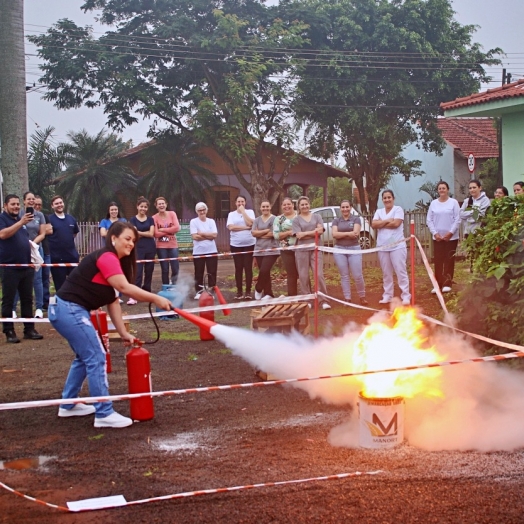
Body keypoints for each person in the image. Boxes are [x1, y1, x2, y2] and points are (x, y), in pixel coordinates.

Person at [49, 222, 172, 428]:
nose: (131, 244)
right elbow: (125, 288)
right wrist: (156, 298)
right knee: (97, 356)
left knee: (84, 356)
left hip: (67, 310)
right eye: (127, 238)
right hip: (69, 310)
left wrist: (123, 332)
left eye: (133, 240)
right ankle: (104, 413)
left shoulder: (115, 262)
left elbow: (113, 300)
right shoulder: (107, 257)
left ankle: (68, 405)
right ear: (113, 238)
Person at [0, 194, 44, 343]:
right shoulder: (3, 219)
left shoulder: (21, 221)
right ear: (5, 206)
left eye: (17, 204)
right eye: (12, 204)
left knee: (27, 299)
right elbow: (3, 234)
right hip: (9, 267)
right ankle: (9, 331)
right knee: (8, 300)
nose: (16, 207)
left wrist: (31, 259)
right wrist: (20, 222)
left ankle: (29, 329)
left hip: (26, 266)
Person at [372, 190, 411, 306]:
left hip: (397, 246)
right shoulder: (379, 211)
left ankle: (405, 295)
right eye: (385, 198)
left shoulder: (398, 209)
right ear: (382, 200)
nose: (387, 200)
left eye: (389, 197)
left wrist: (382, 223)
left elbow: (396, 224)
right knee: (386, 273)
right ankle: (387, 295)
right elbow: (374, 225)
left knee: (400, 271)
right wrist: (388, 220)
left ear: (393, 198)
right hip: (383, 247)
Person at [292, 196, 331, 310]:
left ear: (309, 204)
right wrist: (313, 232)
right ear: (298, 207)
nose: (304, 206)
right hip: (301, 251)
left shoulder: (317, 216)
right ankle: (307, 300)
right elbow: (298, 235)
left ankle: (323, 300)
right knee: (303, 276)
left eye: (306, 204)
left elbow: (320, 231)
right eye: (302, 204)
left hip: (316, 249)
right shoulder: (296, 220)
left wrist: (306, 233)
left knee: (318, 275)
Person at [13, 192, 46, 319]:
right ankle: (13, 308)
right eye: (29, 199)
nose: (31, 201)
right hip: (20, 250)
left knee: (37, 280)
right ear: (24, 201)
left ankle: (38, 308)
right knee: (17, 279)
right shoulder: (19, 214)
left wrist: (32, 244)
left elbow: (42, 233)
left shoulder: (40, 215)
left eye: (33, 199)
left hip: (36, 249)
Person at [426, 182, 461, 294]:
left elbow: (457, 219)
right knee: (438, 260)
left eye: (444, 188)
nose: (442, 190)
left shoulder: (453, 203)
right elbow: (429, 220)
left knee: (449, 259)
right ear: (438, 190)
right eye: (440, 188)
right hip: (438, 238)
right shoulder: (433, 203)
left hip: (451, 238)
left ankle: (447, 283)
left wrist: (450, 233)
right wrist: (435, 233)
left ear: (448, 190)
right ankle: (438, 284)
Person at [332, 199, 368, 305]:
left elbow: (356, 234)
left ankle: (362, 296)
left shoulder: (356, 219)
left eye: (347, 207)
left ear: (350, 207)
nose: (345, 209)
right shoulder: (336, 221)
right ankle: (347, 298)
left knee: (357, 275)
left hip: (354, 249)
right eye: (343, 207)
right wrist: (349, 233)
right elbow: (334, 235)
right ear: (340, 208)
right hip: (339, 249)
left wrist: (341, 234)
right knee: (344, 275)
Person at [47, 195, 80, 292]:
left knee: (75, 283)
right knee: (60, 286)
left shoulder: (71, 219)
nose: (59, 205)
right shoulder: (49, 219)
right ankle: (62, 305)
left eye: (60, 203)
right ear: (52, 206)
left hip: (72, 257)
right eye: (56, 203)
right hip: (57, 258)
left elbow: (74, 234)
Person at [227, 195, 255, 300]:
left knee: (248, 268)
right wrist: (245, 227)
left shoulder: (250, 212)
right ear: (235, 203)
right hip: (236, 245)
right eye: (238, 202)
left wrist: (243, 212)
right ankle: (239, 291)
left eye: (242, 201)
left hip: (249, 244)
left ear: (245, 202)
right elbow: (231, 227)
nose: (240, 204)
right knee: (238, 268)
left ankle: (248, 291)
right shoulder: (231, 214)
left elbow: (251, 224)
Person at [128, 196, 156, 302]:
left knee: (149, 271)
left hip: (150, 247)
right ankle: (135, 294)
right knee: (137, 271)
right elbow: (133, 234)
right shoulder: (132, 219)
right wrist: (145, 233)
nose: (143, 209)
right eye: (141, 206)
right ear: (137, 207)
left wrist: (139, 232)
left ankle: (147, 291)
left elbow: (151, 234)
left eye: (145, 207)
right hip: (138, 248)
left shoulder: (150, 219)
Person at [190, 202, 218, 299]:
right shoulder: (193, 221)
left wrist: (201, 233)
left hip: (212, 251)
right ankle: (199, 291)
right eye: (199, 210)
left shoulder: (211, 221)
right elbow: (195, 237)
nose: (202, 212)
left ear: (206, 210)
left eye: (203, 210)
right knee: (198, 272)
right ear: (197, 212)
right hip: (198, 252)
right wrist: (208, 236)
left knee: (212, 272)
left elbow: (214, 235)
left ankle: (211, 291)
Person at [251, 200, 279, 299]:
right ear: (260, 208)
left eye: (267, 206)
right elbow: (253, 233)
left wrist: (260, 233)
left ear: (270, 207)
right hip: (259, 249)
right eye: (263, 207)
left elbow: (274, 234)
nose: (265, 208)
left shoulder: (275, 219)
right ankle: (268, 293)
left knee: (264, 270)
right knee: (265, 272)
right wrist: (266, 230)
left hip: (272, 249)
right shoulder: (257, 220)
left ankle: (258, 288)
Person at [273, 197, 298, 296]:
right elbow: (276, 235)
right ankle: (292, 296)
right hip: (286, 249)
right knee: (291, 274)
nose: (287, 206)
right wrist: (289, 232)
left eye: (289, 204)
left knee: (303, 273)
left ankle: (307, 296)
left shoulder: (299, 217)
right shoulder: (278, 219)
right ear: (281, 206)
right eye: (284, 205)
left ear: (293, 205)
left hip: (300, 249)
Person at [153, 197, 180, 285]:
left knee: (175, 267)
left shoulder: (172, 214)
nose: (161, 205)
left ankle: (174, 284)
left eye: (163, 203)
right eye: (159, 204)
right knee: (165, 269)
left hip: (173, 245)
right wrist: (170, 230)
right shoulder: (154, 218)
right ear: (156, 206)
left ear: (166, 204)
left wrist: (162, 229)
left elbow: (177, 228)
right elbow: (156, 234)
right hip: (161, 246)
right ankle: (165, 286)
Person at [34, 196, 52, 309]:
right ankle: (37, 303)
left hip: (45, 250)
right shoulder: (27, 217)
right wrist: (42, 230)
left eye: (39, 204)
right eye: (35, 204)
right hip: (33, 251)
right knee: (36, 279)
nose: (37, 206)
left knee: (45, 278)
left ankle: (45, 302)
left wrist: (41, 230)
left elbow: (50, 230)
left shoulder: (44, 216)